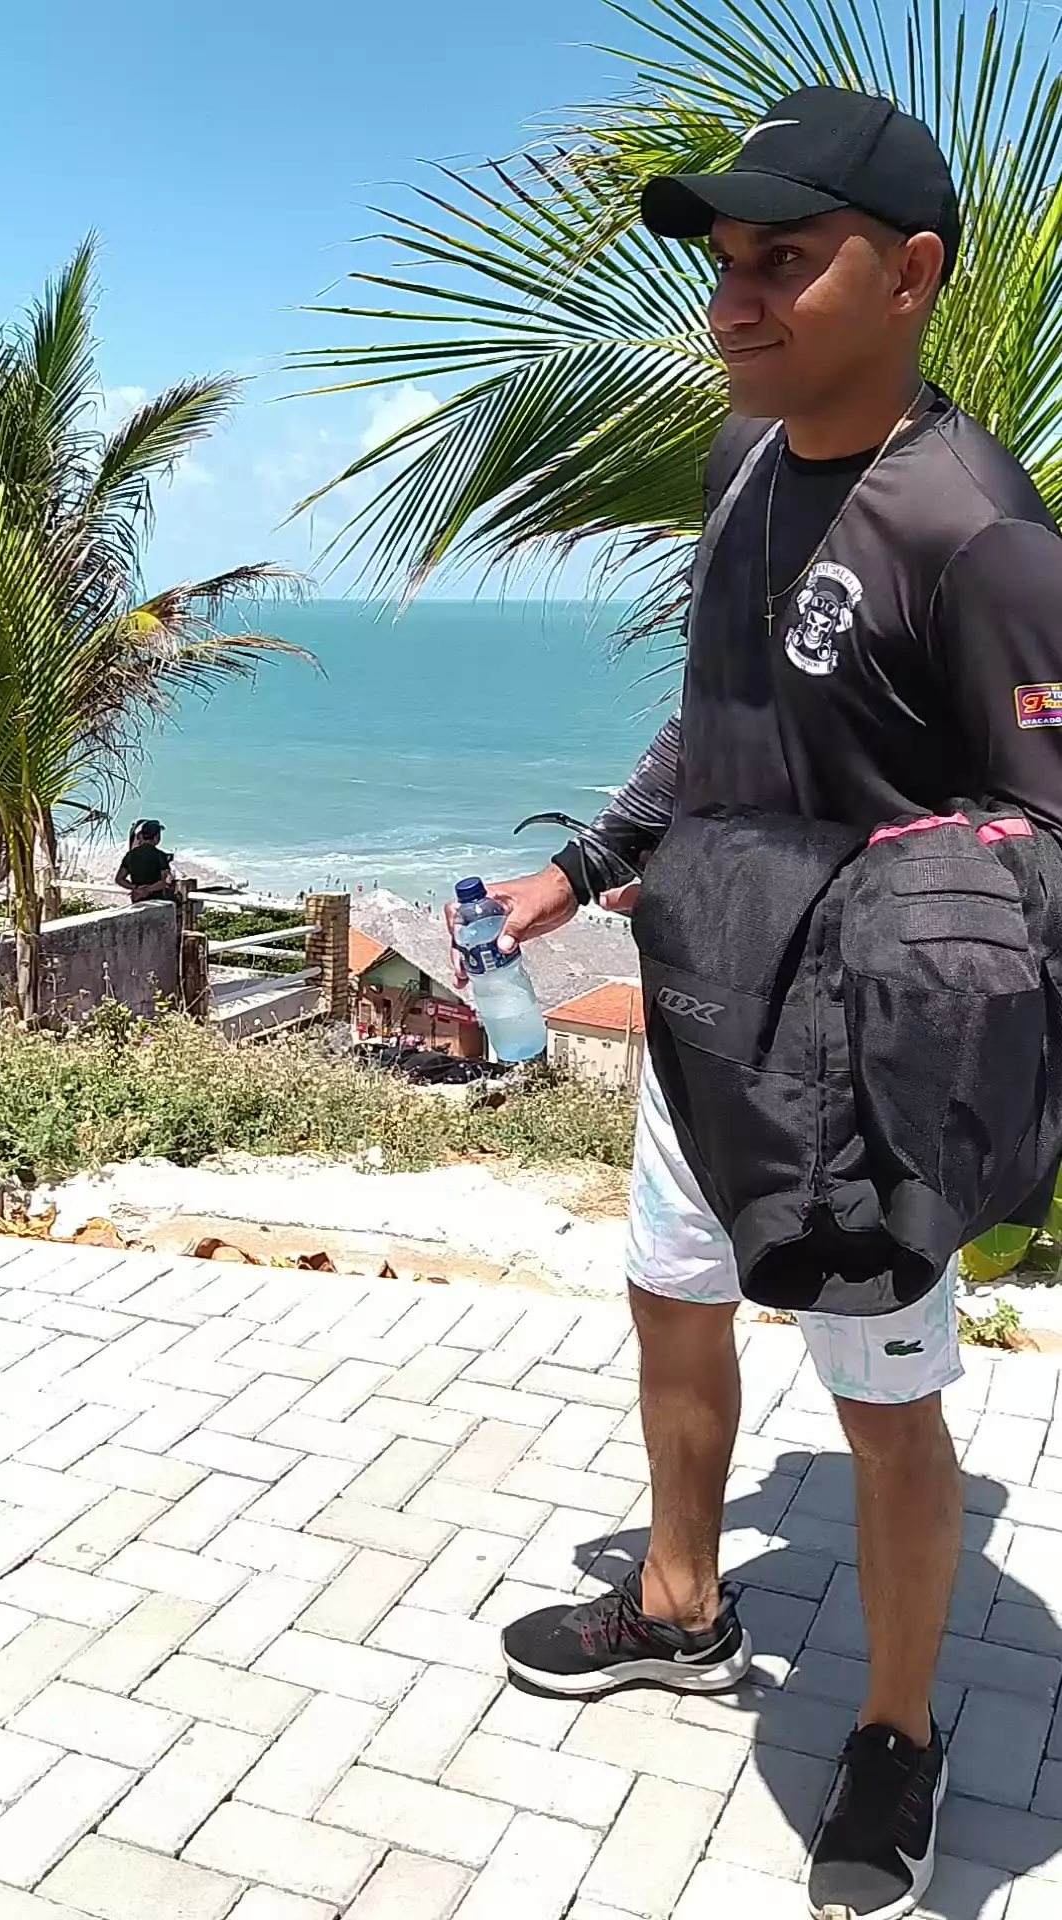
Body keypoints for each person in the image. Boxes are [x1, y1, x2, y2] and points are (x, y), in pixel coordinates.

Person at [477, 89, 1062, 1920]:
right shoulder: (741, 459)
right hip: (700, 1008)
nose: (733, 298)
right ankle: (679, 1610)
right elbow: (713, 713)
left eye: (784, 260)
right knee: (672, 1305)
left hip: (862, 1075)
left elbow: (1048, 833)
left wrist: (890, 984)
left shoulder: (977, 530)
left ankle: (895, 1727)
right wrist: (589, 865)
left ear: (912, 273)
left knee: (885, 1409)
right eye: (725, 260)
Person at [115, 820, 176, 904]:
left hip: (137, 900)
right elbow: (167, 880)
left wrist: (136, 888)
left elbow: (119, 879)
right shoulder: (160, 855)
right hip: (157, 902)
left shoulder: (130, 855)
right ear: (156, 837)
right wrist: (148, 890)